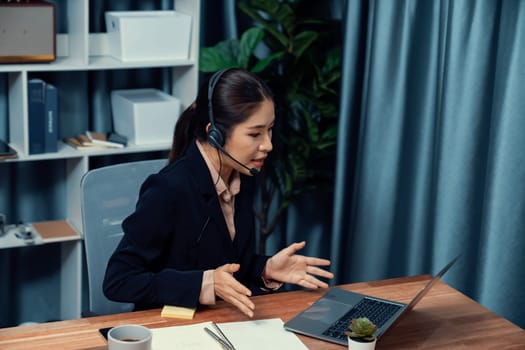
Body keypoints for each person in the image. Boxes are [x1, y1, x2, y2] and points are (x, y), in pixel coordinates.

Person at [103, 68, 334, 317]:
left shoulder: (243, 176)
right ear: (215, 134)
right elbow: (119, 280)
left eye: (270, 130)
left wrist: (266, 269)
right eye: (255, 134)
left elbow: (230, 265)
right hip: (169, 326)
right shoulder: (168, 189)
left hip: (220, 321)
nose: (268, 144)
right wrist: (204, 283)